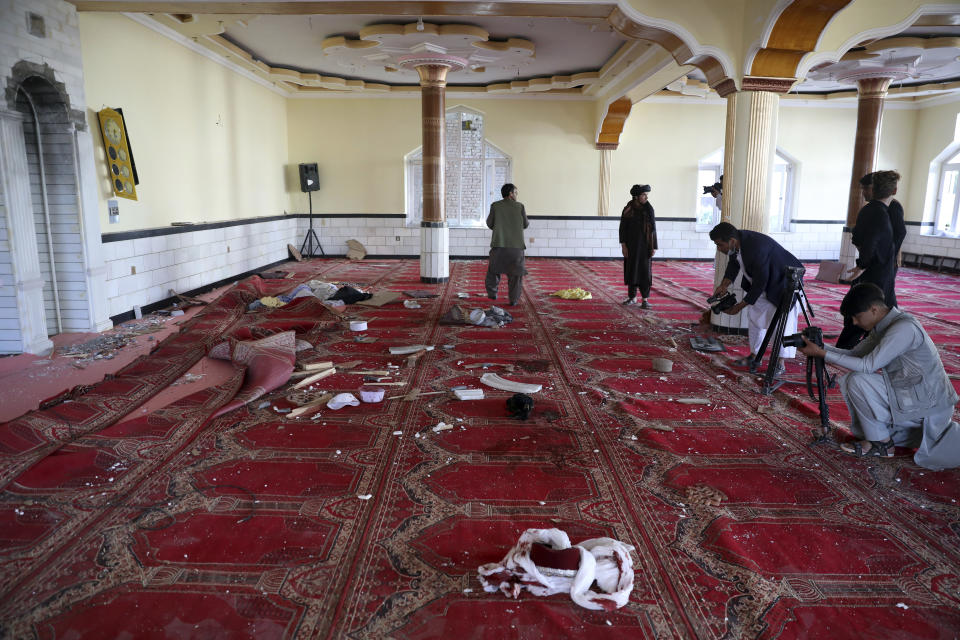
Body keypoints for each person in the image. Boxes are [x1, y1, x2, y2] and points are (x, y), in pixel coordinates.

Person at [799, 283, 960, 470]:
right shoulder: (885, 325)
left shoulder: (903, 329)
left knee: (857, 381)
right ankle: (880, 440)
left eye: (857, 317)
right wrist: (819, 347)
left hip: (929, 403)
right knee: (857, 380)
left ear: (873, 309)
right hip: (912, 393)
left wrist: (822, 354)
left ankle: (881, 444)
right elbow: (855, 355)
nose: (855, 323)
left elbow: (868, 365)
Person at [709, 222, 803, 375]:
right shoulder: (737, 243)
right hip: (763, 285)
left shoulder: (755, 248)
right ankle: (755, 356)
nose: (719, 249)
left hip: (782, 284)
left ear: (731, 241)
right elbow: (734, 264)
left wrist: (738, 307)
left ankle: (780, 363)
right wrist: (724, 285)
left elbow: (760, 282)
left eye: (720, 245)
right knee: (754, 318)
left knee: (780, 324)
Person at [837, 170, 899, 348]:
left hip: (877, 270)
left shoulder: (874, 210)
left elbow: (858, 236)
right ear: (894, 190)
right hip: (878, 272)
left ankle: (865, 350)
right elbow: (872, 238)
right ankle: (846, 351)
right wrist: (862, 264)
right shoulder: (878, 212)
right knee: (866, 312)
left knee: (885, 314)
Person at [485, 183, 529, 306]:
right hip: (516, 247)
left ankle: (492, 293)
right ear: (510, 193)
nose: (516, 195)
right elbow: (525, 224)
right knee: (515, 276)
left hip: (499, 245)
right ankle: (513, 300)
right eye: (515, 192)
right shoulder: (520, 207)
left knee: (493, 270)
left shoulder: (495, 206)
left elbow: (489, 224)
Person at [619, 184, 658, 308]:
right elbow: (622, 229)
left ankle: (645, 300)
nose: (646, 197)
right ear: (636, 197)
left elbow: (653, 229)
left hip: (645, 247)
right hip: (631, 246)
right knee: (632, 271)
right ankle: (632, 297)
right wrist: (623, 246)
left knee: (645, 272)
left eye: (647, 195)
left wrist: (653, 247)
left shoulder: (649, 209)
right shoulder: (628, 209)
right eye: (643, 195)